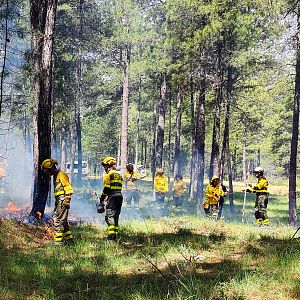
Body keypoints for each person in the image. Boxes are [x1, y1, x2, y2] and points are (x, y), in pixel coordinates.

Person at [41, 158, 74, 244]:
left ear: (51, 168)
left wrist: (67, 199)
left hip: (63, 200)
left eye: (48, 171)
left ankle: (58, 244)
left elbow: (68, 188)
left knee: (58, 220)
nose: (47, 173)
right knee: (64, 222)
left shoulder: (61, 175)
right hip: (59, 200)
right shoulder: (56, 176)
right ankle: (70, 241)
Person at [99, 156, 123, 241]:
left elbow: (107, 189)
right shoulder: (119, 175)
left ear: (108, 165)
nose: (104, 168)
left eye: (105, 166)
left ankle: (111, 238)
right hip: (119, 196)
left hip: (112, 197)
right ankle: (115, 235)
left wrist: (102, 198)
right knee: (115, 216)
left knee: (110, 216)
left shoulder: (107, 175)